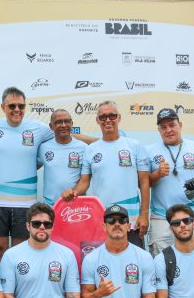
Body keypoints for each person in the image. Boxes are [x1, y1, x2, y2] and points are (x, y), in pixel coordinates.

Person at [0, 87, 53, 264]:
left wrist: (98, 141)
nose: (17, 110)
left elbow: (63, 140)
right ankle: (0, 290)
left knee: (22, 254)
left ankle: (17, 291)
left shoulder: (38, 129)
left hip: (25, 203)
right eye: (12, 106)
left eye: (21, 106)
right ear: (3, 107)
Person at [62, 101, 149, 249]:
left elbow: (144, 182)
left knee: (134, 267)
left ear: (119, 118)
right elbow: (84, 182)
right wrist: (73, 193)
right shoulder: (90, 150)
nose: (107, 120)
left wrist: (144, 215)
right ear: (97, 120)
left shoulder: (134, 146)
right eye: (103, 117)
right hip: (102, 220)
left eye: (112, 116)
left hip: (131, 220)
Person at [146, 108, 194, 255]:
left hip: (191, 214)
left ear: (180, 124)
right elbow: (143, 183)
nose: (168, 130)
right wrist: (157, 174)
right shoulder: (148, 151)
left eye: (172, 125)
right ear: (159, 130)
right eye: (163, 127)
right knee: (161, 259)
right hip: (161, 216)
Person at [37, 109, 87, 206]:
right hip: (51, 206)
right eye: (58, 122)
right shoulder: (43, 147)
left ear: (72, 123)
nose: (64, 125)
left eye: (67, 121)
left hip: (76, 204)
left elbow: (85, 180)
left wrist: (73, 193)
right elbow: (33, 167)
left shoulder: (83, 148)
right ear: (51, 126)